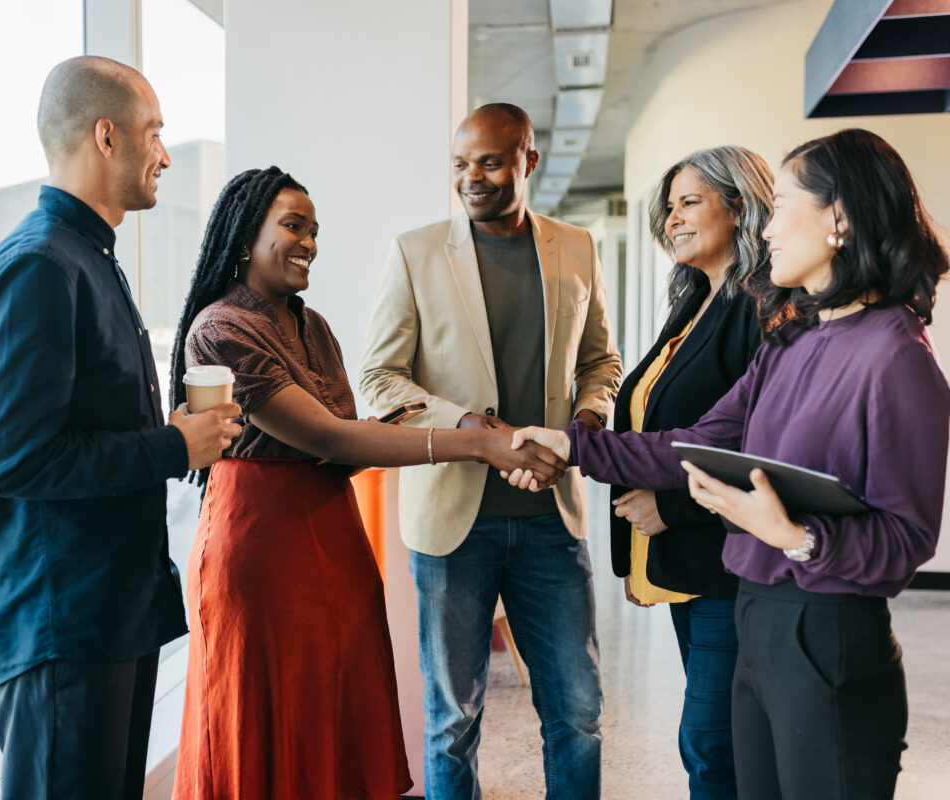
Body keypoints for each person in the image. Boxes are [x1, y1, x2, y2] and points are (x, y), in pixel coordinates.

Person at [506, 128, 950, 799]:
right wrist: (571, 445)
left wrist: (795, 535)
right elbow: (693, 441)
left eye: (782, 209)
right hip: (756, 615)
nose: (766, 228)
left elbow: (906, 541)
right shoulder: (792, 342)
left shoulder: (897, 358)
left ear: (839, 218)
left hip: (825, 628)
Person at [168, 166, 565, 800]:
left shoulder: (312, 325)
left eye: (315, 231)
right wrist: (479, 443)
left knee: (333, 709)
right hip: (260, 546)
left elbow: (342, 445)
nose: (310, 244)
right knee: (267, 718)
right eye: (293, 226)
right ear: (245, 237)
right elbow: (330, 438)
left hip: (333, 537)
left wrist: (401, 425)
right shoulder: (220, 329)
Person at [0, 56, 241, 800]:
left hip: (106, 616)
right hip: (62, 629)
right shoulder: (40, 267)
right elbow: (12, 459)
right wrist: (173, 446)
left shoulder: (86, 258)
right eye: (154, 133)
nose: (165, 154)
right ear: (106, 137)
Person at [359, 103, 622, 800]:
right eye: (459, 164)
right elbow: (380, 377)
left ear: (528, 160)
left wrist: (589, 420)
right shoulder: (415, 251)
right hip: (452, 522)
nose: (471, 178)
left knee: (578, 712)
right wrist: (475, 430)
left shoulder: (576, 248)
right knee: (452, 720)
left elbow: (602, 362)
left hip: (551, 521)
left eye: (490, 161)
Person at [610, 146, 772, 799]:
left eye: (690, 201)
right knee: (715, 741)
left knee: (711, 743)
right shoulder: (695, 302)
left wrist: (670, 510)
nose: (672, 217)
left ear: (740, 207)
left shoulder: (759, 310)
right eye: (668, 206)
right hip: (686, 563)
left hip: (727, 564)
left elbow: (765, 453)